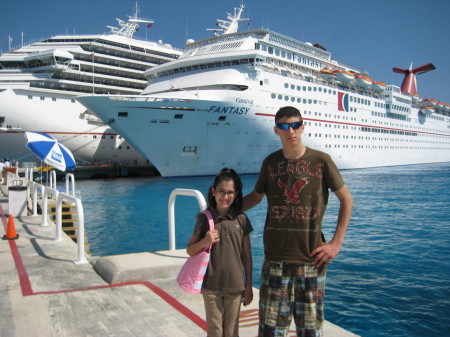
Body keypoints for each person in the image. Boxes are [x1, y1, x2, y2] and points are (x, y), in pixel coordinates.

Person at [243, 106, 353, 336]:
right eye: (284, 126)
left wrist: (336, 243)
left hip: (311, 259)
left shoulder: (321, 161)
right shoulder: (270, 163)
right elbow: (255, 197)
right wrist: (222, 209)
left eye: (294, 125)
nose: (290, 130)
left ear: (302, 127)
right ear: (276, 130)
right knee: (271, 330)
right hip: (275, 258)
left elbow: (346, 200)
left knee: (310, 330)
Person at [187, 168, 253, 337]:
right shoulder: (204, 218)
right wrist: (205, 241)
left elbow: (247, 255)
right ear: (214, 191)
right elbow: (190, 250)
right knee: (215, 332)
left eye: (230, 193)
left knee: (231, 332)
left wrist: (248, 286)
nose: (225, 197)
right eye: (222, 192)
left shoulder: (241, 219)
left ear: (236, 194)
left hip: (236, 286)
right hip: (211, 287)